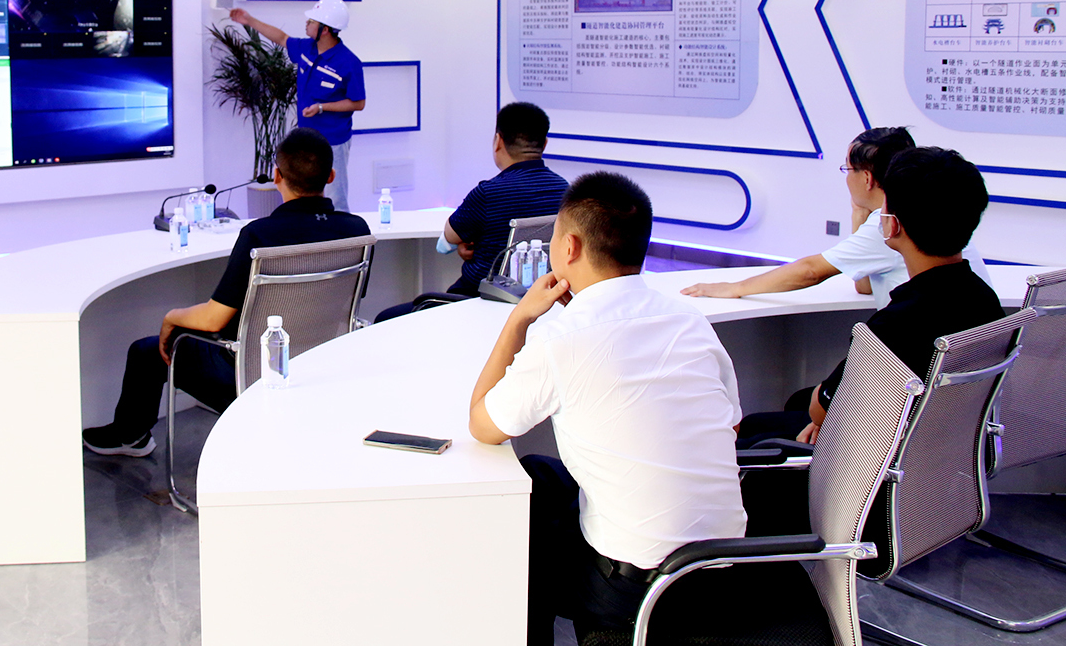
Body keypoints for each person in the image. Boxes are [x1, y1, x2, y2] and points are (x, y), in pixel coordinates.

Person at [468, 172, 746, 643]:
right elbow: (731, 427)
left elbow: (483, 425)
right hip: (724, 573)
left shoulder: (561, 338)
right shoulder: (689, 320)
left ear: (569, 247)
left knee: (525, 520)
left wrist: (519, 319)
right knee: (543, 475)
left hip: (637, 590)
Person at [83, 128, 369, 456]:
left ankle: (129, 437)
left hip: (248, 376)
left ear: (277, 176)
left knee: (146, 352)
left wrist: (171, 317)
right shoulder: (356, 229)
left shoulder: (260, 235)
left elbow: (213, 320)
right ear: (331, 176)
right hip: (322, 369)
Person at [798, 147, 1002, 445]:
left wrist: (822, 410)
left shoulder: (894, 325)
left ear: (892, 224)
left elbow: (821, 410)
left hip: (880, 453)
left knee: (763, 427)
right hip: (949, 451)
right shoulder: (985, 300)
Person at [682, 127, 991, 307]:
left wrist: (735, 288)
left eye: (848, 169)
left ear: (867, 179)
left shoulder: (892, 225)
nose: (846, 177)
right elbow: (865, 287)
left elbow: (810, 271)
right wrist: (859, 216)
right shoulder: (928, 209)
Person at [373, 102, 566, 322]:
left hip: (476, 302)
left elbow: (447, 240)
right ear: (545, 143)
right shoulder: (567, 192)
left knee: (385, 318)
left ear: (498, 141)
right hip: (540, 306)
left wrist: (467, 244)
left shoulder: (488, 193)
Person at [228, 0, 365, 212]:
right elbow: (282, 38)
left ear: (325, 30)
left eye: (312, 21)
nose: (307, 23)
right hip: (306, 138)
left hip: (334, 141)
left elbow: (358, 103)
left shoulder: (348, 62)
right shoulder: (306, 48)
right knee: (304, 195)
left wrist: (322, 107)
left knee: (334, 196)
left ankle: (340, 232)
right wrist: (249, 20)